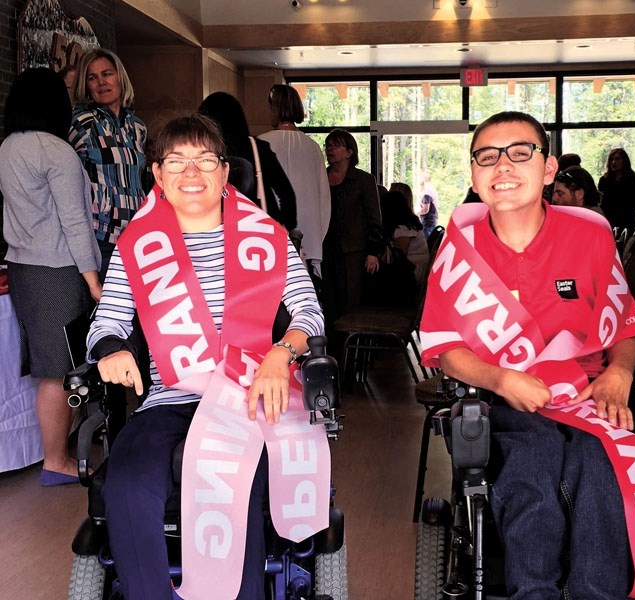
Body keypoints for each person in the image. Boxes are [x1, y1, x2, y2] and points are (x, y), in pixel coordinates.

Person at [420, 111, 635, 599]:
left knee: (600, 463)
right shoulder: (458, 248)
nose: (503, 166)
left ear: (547, 169)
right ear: (475, 176)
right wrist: (501, 380)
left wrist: (620, 373)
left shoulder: (589, 235)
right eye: (488, 156)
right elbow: (445, 350)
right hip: (505, 398)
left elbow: (626, 325)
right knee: (534, 459)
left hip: (590, 396)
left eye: (520, 152)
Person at [87, 114, 325, 599]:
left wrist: (281, 355)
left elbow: (309, 315)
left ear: (224, 172)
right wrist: (110, 348)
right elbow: (106, 323)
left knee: (237, 487)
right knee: (127, 484)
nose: (190, 173)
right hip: (169, 397)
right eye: (176, 161)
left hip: (250, 396)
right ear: (157, 174)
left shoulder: (269, 238)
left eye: (204, 161)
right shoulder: (136, 247)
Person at [0, 67, 101, 485]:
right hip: (57, 270)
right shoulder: (56, 150)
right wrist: (95, 281)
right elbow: (75, 224)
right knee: (62, 369)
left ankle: (60, 452)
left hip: (22, 267)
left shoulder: (7, 148)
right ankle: (56, 461)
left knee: (51, 368)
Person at [69, 48, 147, 280]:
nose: (101, 82)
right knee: (106, 312)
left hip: (136, 236)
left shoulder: (138, 127)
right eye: (92, 78)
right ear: (86, 85)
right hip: (101, 237)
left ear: (120, 77)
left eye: (107, 74)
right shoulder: (80, 124)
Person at [198, 91, 297, 232]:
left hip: (219, 232)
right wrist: (285, 227)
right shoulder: (258, 148)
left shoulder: (202, 155)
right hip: (262, 231)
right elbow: (286, 193)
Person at [259, 84, 331, 277]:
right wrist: (318, 235)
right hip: (309, 230)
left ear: (274, 109)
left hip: (269, 229)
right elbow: (324, 198)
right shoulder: (313, 147)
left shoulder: (261, 144)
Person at [323, 128, 383, 323]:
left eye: (336, 145)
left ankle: (353, 350)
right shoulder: (320, 177)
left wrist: (373, 251)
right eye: (328, 145)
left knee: (351, 302)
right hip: (325, 250)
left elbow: (374, 217)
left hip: (353, 252)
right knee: (328, 301)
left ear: (349, 152)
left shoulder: (363, 180)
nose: (330, 149)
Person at [380, 190, 429, 284]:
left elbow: (399, 257)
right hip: (415, 269)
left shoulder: (404, 228)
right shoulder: (409, 224)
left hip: (413, 273)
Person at [598, 147, 635, 235]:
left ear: (624, 161)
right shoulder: (604, 180)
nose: (613, 162)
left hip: (628, 222)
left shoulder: (634, 180)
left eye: (617, 159)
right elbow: (601, 202)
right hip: (609, 221)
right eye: (611, 160)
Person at [417, 170, 439, 239]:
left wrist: (416, 214)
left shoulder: (426, 190)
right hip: (432, 221)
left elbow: (425, 209)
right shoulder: (431, 188)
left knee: (426, 244)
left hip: (428, 222)